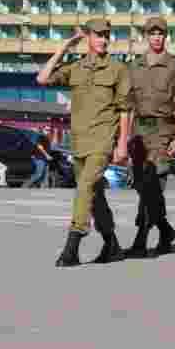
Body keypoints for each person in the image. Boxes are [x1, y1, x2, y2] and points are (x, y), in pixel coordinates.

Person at [37, 19, 131, 268]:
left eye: (107, 36)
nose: (103, 40)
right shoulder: (75, 68)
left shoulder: (117, 69)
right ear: (88, 37)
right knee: (94, 195)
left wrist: (122, 145)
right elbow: (43, 78)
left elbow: (124, 110)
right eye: (99, 35)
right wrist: (65, 46)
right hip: (79, 142)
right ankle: (112, 244)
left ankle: (72, 246)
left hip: (102, 140)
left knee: (84, 189)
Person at [124, 17, 175, 259]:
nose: (157, 37)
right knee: (144, 187)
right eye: (152, 33)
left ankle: (141, 239)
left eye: (161, 33)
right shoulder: (134, 66)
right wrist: (126, 138)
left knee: (154, 183)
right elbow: (129, 106)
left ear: (166, 36)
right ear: (146, 36)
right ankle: (165, 230)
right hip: (139, 132)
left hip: (163, 131)